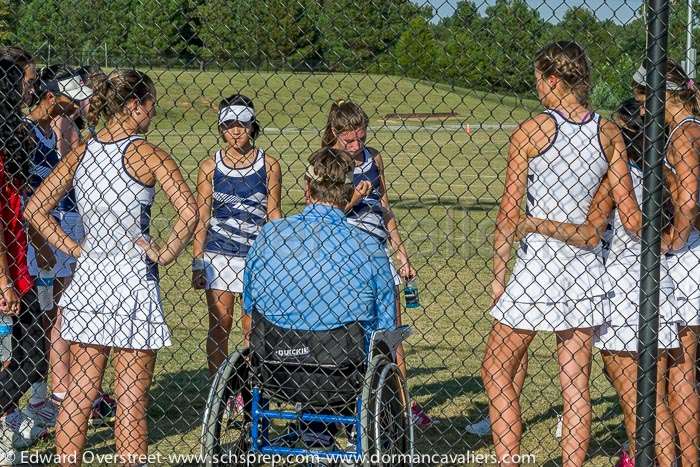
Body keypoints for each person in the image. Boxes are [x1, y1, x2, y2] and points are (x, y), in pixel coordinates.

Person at [24, 69, 198, 467]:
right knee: (131, 399)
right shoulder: (148, 153)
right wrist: (165, 252)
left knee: (79, 393)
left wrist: (75, 248)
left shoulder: (83, 150)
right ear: (135, 105)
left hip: (90, 279)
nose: (154, 112)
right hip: (133, 280)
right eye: (151, 104)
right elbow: (189, 211)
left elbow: (35, 209)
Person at [481, 41, 641, 467]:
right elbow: (628, 212)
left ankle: (508, 460)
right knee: (575, 387)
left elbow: (509, 213)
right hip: (587, 267)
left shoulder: (532, 130)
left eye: (538, 80)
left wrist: (499, 276)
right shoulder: (607, 131)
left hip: (539, 266)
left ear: (553, 80)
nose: (536, 89)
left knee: (495, 369)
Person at [516, 98, 679, 467]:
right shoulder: (664, 172)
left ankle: (646, 459)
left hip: (625, 291)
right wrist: (670, 239)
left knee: (637, 401)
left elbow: (590, 235)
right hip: (661, 282)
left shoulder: (614, 183)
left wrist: (534, 222)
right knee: (658, 398)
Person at [243, 146, 396, 449]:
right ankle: (335, 427)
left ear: (307, 189)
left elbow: (250, 306)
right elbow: (385, 327)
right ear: (349, 192)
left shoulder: (270, 236)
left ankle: (312, 427)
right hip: (343, 371)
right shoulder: (368, 247)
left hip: (276, 365)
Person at [320, 100, 429, 427]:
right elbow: (324, 215)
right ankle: (344, 408)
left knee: (391, 334)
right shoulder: (328, 164)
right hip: (345, 257)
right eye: (349, 141)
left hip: (379, 254)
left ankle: (401, 405)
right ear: (335, 134)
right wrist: (354, 197)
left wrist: (401, 253)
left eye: (360, 139)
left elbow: (385, 207)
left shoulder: (373, 158)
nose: (356, 147)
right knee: (346, 334)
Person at [633, 60, 700, 467]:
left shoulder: (682, 134)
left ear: (660, 96)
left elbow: (690, 198)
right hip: (694, 252)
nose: (642, 110)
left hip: (688, 255)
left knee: (672, 373)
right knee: (685, 372)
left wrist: (674, 238)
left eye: (644, 101)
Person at [21, 65, 93, 430]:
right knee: (33, 316)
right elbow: (23, 199)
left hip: (62, 228)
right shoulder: (26, 133)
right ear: (49, 98)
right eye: (68, 104)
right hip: (34, 236)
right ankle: (37, 395)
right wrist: (38, 241)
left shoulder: (57, 128)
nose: (74, 111)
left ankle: (58, 392)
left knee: (59, 310)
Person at [192, 94, 281, 377]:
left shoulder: (269, 165)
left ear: (253, 126)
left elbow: (273, 213)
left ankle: (251, 388)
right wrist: (197, 261)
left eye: (243, 124)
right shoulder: (209, 167)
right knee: (220, 325)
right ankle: (221, 393)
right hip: (219, 255)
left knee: (251, 328)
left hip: (256, 256)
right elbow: (202, 216)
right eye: (229, 124)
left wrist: (279, 254)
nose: (236, 130)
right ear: (221, 128)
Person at [0, 55, 47, 463]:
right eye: (28, 81)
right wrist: (3, 280)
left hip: (19, 262)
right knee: (30, 351)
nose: (33, 87)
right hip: (6, 270)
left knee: (33, 352)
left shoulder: (12, 132)